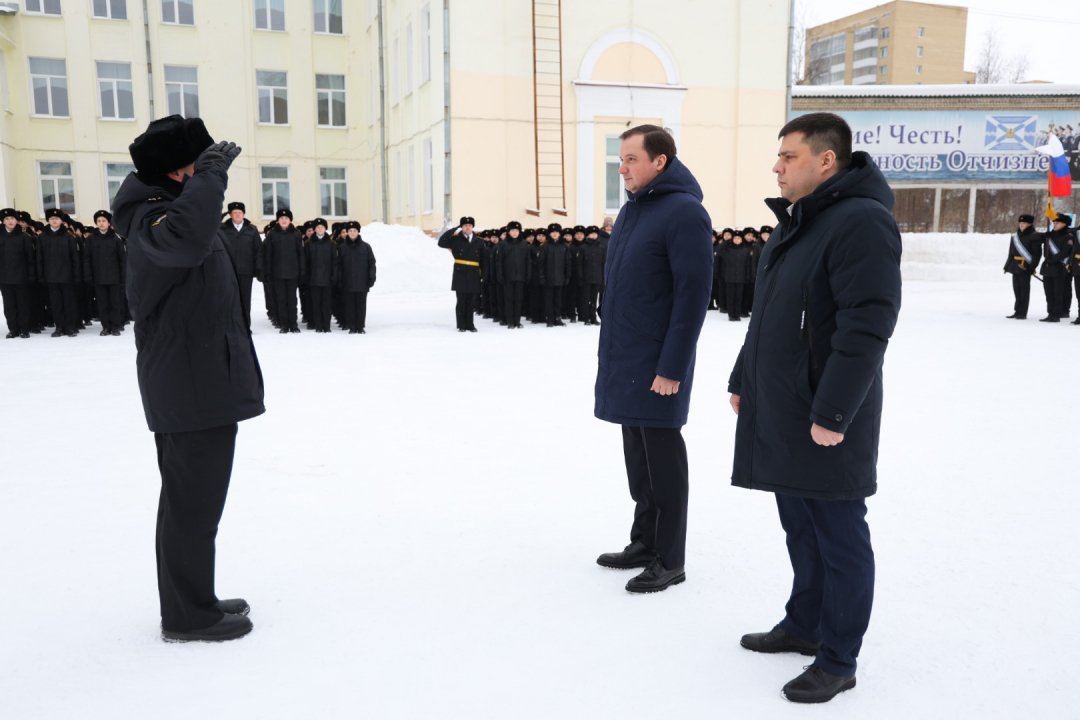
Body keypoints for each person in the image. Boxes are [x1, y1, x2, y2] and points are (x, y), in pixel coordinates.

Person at [728, 112, 902, 703]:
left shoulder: (861, 223)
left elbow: (867, 326)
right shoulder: (796, 223)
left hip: (826, 416)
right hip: (783, 405)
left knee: (838, 535)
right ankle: (804, 624)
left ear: (826, 161)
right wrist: (741, 375)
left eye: (788, 156)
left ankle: (838, 658)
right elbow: (770, 313)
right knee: (799, 527)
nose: (777, 166)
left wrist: (832, 414)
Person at [112, 114, 263, 642]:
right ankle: (187, 615)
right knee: (191, 505)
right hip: (188, 382)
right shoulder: (153, 218)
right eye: (197, 167)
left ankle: (194, 596)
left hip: (201, 377)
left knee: (194, 501)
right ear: (178, 174)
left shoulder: (170, 206)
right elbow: (188, 239)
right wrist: (210, 179)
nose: (208, 174)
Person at [593, 124, 713, 594]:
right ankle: (643, 542)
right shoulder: (632, 212)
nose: (621, 168)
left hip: (659, 363)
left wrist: (672, 368)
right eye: (620, 159)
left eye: (630, 159)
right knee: (637, 460)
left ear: (660, 161)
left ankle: (670, 558)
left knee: (662, 462)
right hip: (626, 356)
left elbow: (692, 296)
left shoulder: (684, 213)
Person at [37, 208, 82, 337]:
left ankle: (70, 327)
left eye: (56, 218)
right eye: (51, 219)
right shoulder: (43, 237)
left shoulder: (69, 236)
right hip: (51, 276)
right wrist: (41, 276)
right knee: (56, 304)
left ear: (61, 220)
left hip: (67, 276)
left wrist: (77, 275)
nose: (54, 220)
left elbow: (75, 258)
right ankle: (59, 327)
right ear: (48, 221)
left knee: (69, 303)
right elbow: (39, 259)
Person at [83, 210, 127, 336]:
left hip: (114, 277)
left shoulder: (116, 239)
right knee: (102, 303)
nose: (101, 223)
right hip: (99, 277)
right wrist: (89, 276)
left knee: (115, 303)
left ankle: (116, 326)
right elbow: (87, 259)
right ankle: (106, 326)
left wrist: (123, 277)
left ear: (109, 223)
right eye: (99, 221)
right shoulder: (91, 239)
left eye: (103, 221)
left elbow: (122, 260)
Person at [220, 202, 263, 323]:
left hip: (246, 270)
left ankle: (245, 325)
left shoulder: (252, 229)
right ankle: (231, 325)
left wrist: (258, 268)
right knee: (229, 299)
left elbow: (258, 250)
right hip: (228, 270)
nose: (238, 215)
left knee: (245, 299)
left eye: (240, 212)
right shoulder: (223, 229)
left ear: (243, 214)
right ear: (230, 215)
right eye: (235, 213)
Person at [264, 209, 305, 333]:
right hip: (278, 273)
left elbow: (301, 255)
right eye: (281, 218)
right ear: (278, 220)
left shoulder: (296, 235)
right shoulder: (272, 235)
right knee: (281, 300)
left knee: (292, 300)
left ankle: (293, 324)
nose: (284, 220)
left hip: (293, 273)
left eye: (286, 218)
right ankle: (284, 324)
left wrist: (302, 271)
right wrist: (268, 272)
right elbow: (268, 255)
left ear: (290, 220)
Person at [437, 216, 482, 332]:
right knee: (461, 300)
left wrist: (484, 275)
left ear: (472, 227)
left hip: (474, 273)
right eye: (465, 225)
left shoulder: (479, 241)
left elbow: (484, 259)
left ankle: (470, 325)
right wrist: (454, 229)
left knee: (471, 301)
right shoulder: (455, 240)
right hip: (460, 272)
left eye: (470, 225)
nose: (468, 227)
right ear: (462, 227)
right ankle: (461, 325)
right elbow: (441, 242)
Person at [1, 207, 35, 339]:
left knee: (23, 303)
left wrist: (31, 275)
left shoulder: (24, 237)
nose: (10, 221)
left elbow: (30, 258)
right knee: (9, 305)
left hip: (21, 276)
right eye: (7, 219)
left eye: (12, 219)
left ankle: (24, 328)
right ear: (3, 221)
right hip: (4, 277)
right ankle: (13, 328)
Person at [336, 221, 376, 333]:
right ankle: (352, 326)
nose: (352, 233)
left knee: (361, 305)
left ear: (358, 232)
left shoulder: (366, 247)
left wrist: (371, 277)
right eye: (350, 231)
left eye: (354, 231)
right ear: (347, 233)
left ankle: (360, 326)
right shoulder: (342, 247)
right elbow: (338, 265)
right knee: (349, 306)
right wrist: (339, 280)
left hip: (362, 281)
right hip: (347, 282)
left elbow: (371, 263)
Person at [1004, 213, 1042, 319]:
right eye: (1020, 223)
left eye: (1024, 223)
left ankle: (1022, 312)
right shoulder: (1015, 236)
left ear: (1030, 224)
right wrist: (1007, 265)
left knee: (1024, 291)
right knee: (1017, 289)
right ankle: (1017, 310)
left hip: (1025, 267)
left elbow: (1037, 254)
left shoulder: (1034, 236)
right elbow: (1011, 253)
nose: (1021, 225)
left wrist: (1032, 267)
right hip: (1015, 266)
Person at [305, 218, 337, 333]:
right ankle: (318, 325)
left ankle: (326, 325)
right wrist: (307, 276)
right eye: (317, 227)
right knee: (316, 303)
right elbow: (306, 262)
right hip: (314, 279)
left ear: (325, 229)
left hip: (327, 279)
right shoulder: (309, 244)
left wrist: (334, 276)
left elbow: (334, 262)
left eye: (322, 227)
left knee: (327, 303)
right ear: (314, 230)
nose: (320, 229)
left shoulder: (331, 244)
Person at [1040, 214, 1072, 322]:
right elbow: (1045, 250)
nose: (1055, 225)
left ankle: (1057, 314)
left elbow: (1065, 252)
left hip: (1060, 267)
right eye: (1054, 223)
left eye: (1057, 223)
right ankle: (1050, 313)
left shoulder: (1068, 236)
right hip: (1048, 267)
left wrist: (1052, 260)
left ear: (1064, 224)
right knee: (1049, 292)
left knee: (1058, 292)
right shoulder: (1050, 235)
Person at [720, 230, 751, 321]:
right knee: (730, 297)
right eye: (735, 238)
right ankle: (731, 314)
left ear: (741, 240)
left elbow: (747, 265)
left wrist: (747, 276)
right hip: (729, 277)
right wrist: (727, 241)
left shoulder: (745, 250)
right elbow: (718, 249)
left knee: (738, 297)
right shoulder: (728, 249)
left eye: (739, 238)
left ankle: (737, 315)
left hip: (740, 278)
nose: (737, 240)